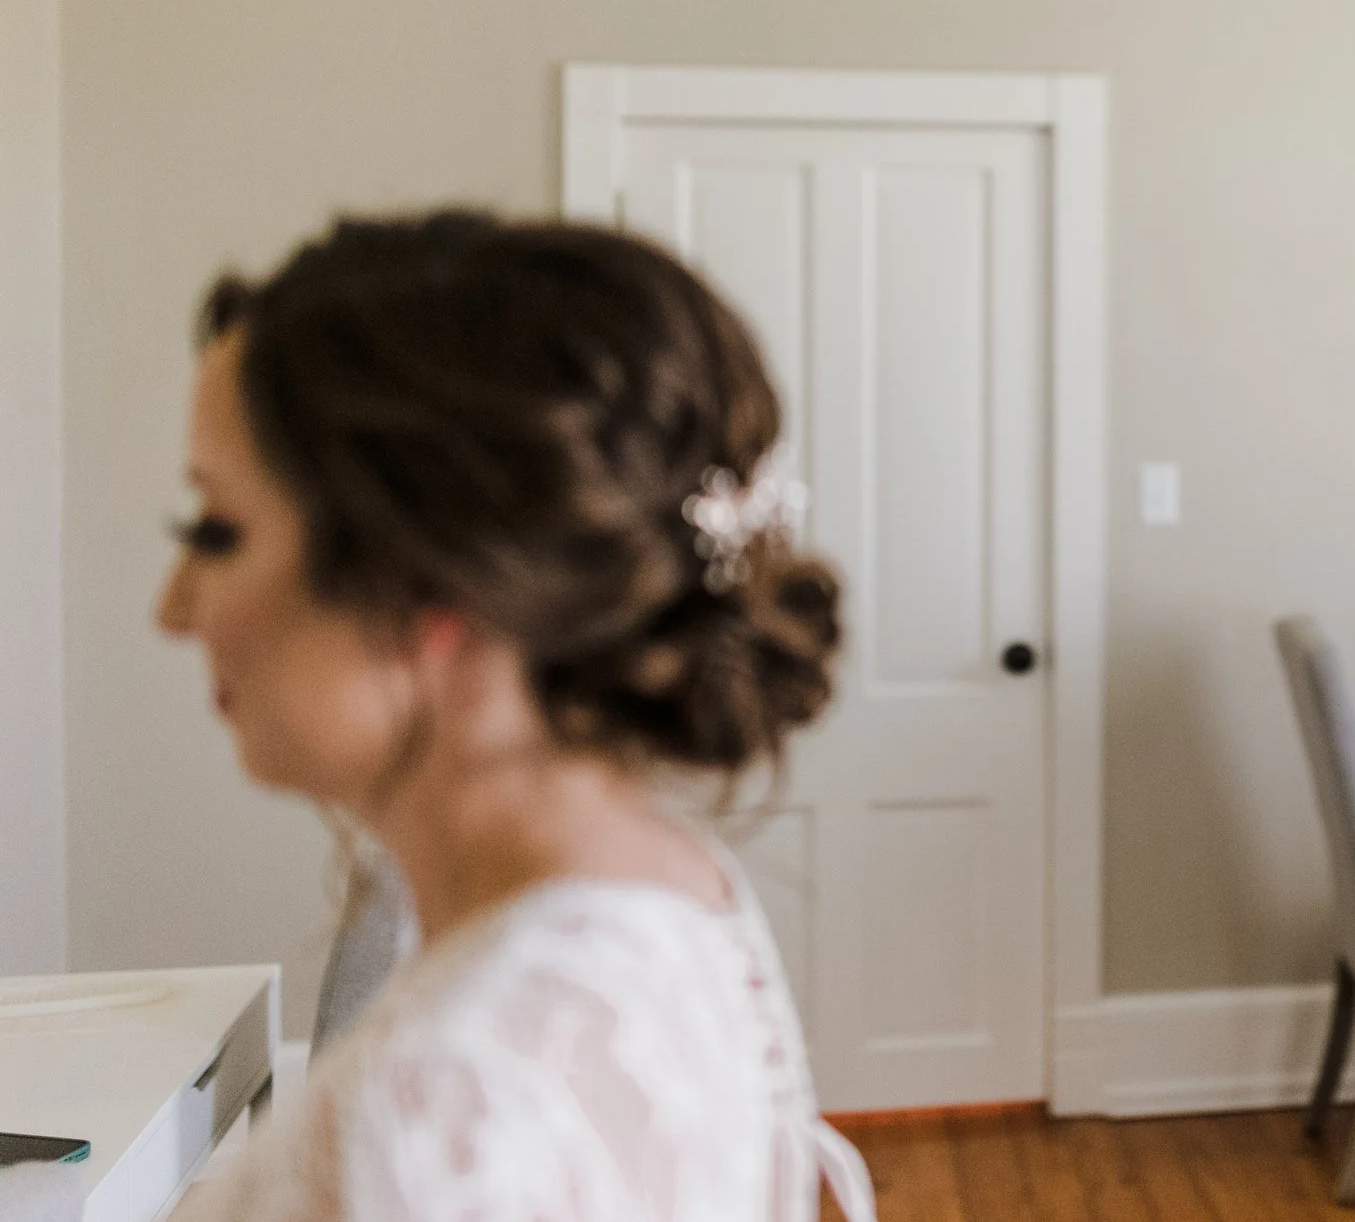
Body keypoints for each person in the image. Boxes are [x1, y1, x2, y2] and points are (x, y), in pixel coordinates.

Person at [161, 210, 875, 1222]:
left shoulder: (444, 1109)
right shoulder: (668, 882)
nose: (175, 607)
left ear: (432, 582)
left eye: (215, 527)